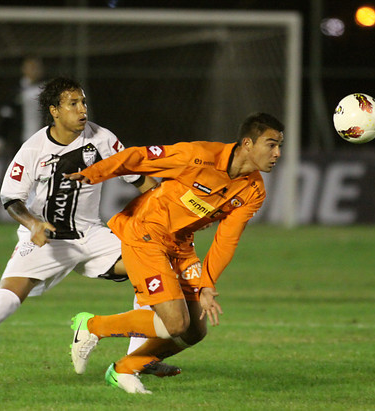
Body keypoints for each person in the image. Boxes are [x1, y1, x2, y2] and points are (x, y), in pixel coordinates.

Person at [0, 77, 177, 389]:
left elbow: (141, 181)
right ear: (55, 111)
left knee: (152, 271)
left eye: (83, 102)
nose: (82, 109)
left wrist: (164, 213)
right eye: (73, 104)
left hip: (90, 235)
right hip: (46, 241)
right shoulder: (34, 148)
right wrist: (33, 224)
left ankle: (139, 360)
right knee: (3, 303)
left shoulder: (102, 138)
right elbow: (11, 198)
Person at [65, 112, 284, 394]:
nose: (277, 153)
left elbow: (226, 239)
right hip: (146, 233)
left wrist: (207, 283)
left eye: (280, 146)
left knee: (195, 330)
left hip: (180, 245)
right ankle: (92, 325)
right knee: (176, 323)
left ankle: (124, 369)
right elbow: (139, 158)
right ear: (247, 143)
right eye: (272, 144)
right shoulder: (199, 155)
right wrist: (93, 174)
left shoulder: (254, 190)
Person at [0, 56, 45, 161]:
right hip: (20, 142)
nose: (34, 70)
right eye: (31, 67)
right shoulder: (16, 92)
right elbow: (6, 118)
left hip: (44, 141)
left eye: (36, 67)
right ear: (24, 69)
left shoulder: (48, 90)